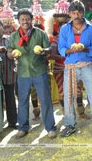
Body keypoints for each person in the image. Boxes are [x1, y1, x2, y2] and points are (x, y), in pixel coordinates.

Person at [58, 0, 92, 141]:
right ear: (69, 14)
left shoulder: (91, 27)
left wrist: (84, 48)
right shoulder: (64, 29)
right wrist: (69, 50)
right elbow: (61, 47)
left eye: (79, 11)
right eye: (73, 12)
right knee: (68, 98)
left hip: (87, 65)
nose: (77, 14)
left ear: (83, 13)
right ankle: (70, 124)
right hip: (70, 67)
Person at [7, 9, 56, 139]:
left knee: (45, 100)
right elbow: (9, 51)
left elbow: (49, 49)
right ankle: (23, 127)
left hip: (39, 71)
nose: (25, 21)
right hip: (23, 73)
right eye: (22, 19)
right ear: (18, 21)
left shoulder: (40, 34)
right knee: (22, 101)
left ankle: (50, 127)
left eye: (27, 19)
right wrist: (11, 54)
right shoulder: (13, 36)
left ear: (31, 20)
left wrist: (43, 51)